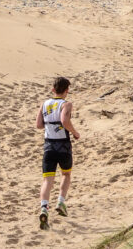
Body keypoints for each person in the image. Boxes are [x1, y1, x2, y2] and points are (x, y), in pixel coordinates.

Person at [35, 76, 80, 230]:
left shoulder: (44, 104)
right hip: (63, 146)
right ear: (66, 90)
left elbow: (39, 125)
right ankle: (61, 201)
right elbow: (65, 121)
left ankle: (43, 208)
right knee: (66, 174)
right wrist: (75, 132)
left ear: (53, 89)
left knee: (47, 180)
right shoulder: (66, 104)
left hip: (48, 146)